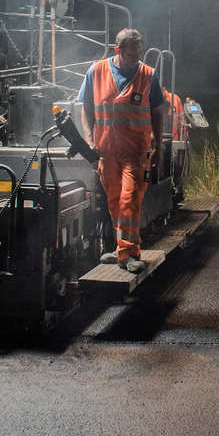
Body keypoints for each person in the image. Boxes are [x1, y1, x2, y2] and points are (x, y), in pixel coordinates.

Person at [79, 28, 166, 272]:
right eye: (131, 54)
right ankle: (122, 249)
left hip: (136, 153)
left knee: (130, 200)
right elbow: (85, 105)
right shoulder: (96, 71)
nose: (137, 58)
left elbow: (157, 112)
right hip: (106, 153)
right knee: (115, 202)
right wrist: (88, 138)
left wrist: (158, 145)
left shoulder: (148, 74)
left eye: (139, 52)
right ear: (117, 50)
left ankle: (127, 254)